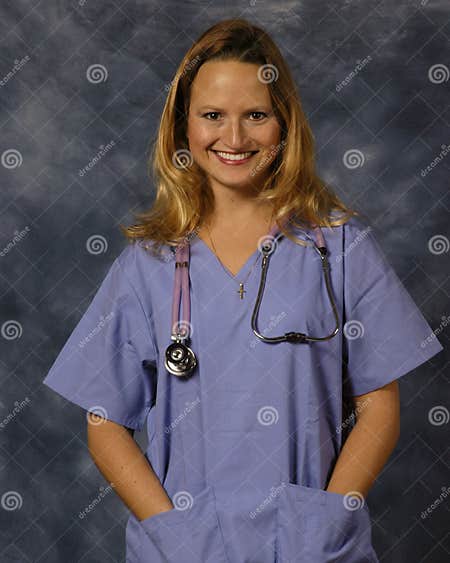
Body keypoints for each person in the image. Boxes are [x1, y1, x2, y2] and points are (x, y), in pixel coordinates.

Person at [42, 18, 444, 563]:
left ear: (284, 125)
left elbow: (380, 409)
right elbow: (104, 423)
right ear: (184, 128)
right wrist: (170, 532)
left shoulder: (340, 249)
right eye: (212, 116)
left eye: (255, 115)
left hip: (313, 549)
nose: (233, 139)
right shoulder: (149, 264)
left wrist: (327, 520)